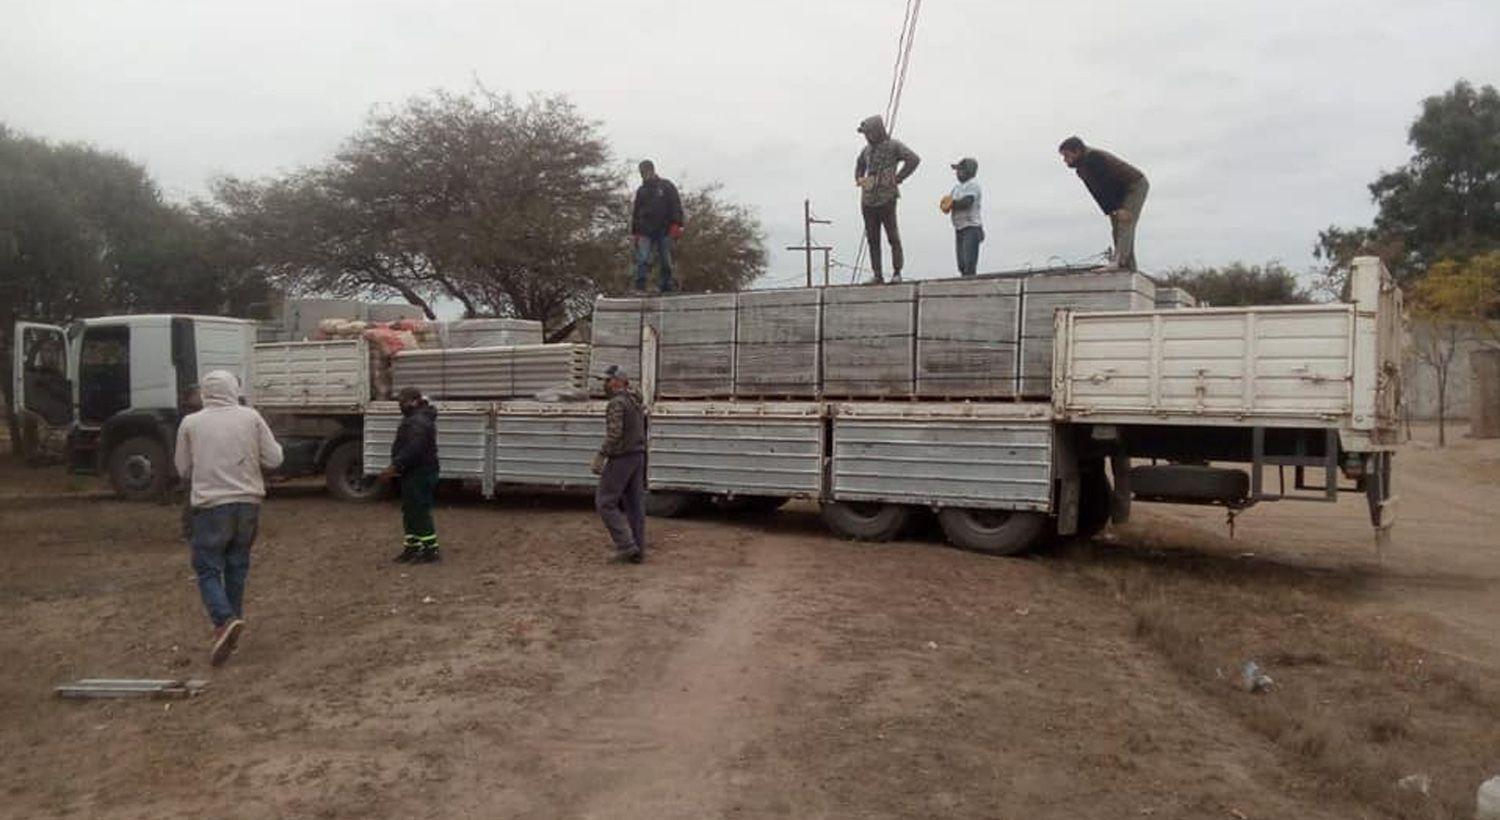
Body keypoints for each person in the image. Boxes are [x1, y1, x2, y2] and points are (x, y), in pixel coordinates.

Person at [173, 370, 284, 667]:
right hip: (248, 505)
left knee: (207, 568)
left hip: (211, 506)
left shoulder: (191, 423)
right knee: (237, 567)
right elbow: (274, 459)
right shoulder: (251, 417)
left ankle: (224, 620)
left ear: (205, 393)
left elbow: (182, 468)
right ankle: (230, 630)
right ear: (234, 389)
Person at [1058, 136, 1149, 271]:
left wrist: (1119, 208)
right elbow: (1096, 191)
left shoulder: (1094, 158)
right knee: (1117, 228)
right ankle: (1128, 267)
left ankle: (1119, 262)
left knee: (1125, 222)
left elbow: (1107, 184)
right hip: (1119, 191)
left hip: (1134, 185)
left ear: (1077, 151)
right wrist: (1111, 210)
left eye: (1067, 155)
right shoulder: (1081, 169)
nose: (1065, 160)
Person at [590, 364, 646, 564]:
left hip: (622, 457)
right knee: (634, 505)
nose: (604, 384)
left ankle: (626, 546)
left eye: (607, 380)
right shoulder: (635, 400)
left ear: (617, 381)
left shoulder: (617, 403)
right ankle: (637, 549)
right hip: (638, 456)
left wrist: (601, 455)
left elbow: (615, 434)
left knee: (605, 502)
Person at [854, 115, 920, 283]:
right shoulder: (866, 150)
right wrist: (860, 179)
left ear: (877, 131)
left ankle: (897, 271)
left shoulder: (893, 146)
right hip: (868, 199)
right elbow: (859, 164)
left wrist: (898, 178)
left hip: (887, 197)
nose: (867, 136)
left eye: (869, 132)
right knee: (872, 238)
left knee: (892, 235)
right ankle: (877, 274)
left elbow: (913, 159)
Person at [382, 387, 442, 564]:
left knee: (419, 510)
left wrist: (395, 466)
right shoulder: (417, 418)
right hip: (413, 471)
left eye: (403, 401)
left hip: (419, 471)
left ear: (414, 401)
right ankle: (412, 546)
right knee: (410, 510)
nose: (400, 405)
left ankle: (431, 549)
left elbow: (413, 448)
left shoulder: (418, 421)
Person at [631, 160, 685, 293]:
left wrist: (677, 224)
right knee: (642, 259)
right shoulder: (641, 191)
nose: (643, 175)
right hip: (645, 230)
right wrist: (635, 232)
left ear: (652, 170)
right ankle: (640, 286)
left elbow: (676, 206)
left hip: (664, 229)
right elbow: (636, 212)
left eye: (645, 172)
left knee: (665, 260)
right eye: (641, 173)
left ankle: (666, 285)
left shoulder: (666, 186)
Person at [941, 157, 985, 276]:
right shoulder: (956, 188)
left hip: (971, 227)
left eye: (960, 170)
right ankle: (964, 282)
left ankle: (970, 287)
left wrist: (952, 204)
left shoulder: (973, 185)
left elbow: (967, 202)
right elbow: (948, 203)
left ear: (969, 171)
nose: (957, 173)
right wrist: (946, 205)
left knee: (969, 263)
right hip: (960, 228)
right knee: (961, 264)